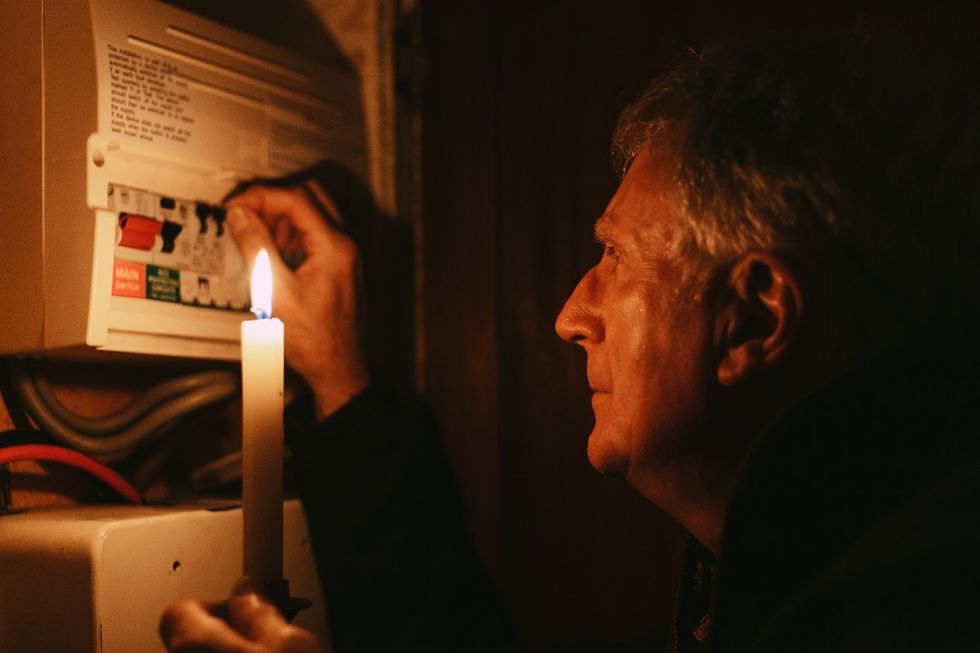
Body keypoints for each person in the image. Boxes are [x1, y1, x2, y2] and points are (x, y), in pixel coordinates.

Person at [160, 20, 980, 653]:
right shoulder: (793, 577)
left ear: (756, 318)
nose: (568, 315)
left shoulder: (910, 611)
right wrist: (342, 381)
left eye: (614, 258)